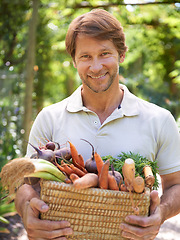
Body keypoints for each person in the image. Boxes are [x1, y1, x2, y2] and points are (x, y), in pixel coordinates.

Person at [15, 9, 180, 240]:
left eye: (104, 54)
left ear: (121, 54)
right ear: (74, 61)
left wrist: (160, 213)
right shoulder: (49, 118)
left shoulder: (159, 120)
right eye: (85, 57)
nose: (95, 67)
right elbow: (25, 185)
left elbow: (176, 185)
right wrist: (26, 212)